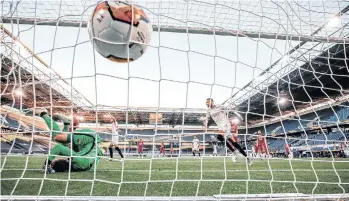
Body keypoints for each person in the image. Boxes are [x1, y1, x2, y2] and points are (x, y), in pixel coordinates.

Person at [34, 108, 103, 173]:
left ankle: (67, 124)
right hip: (91, 138)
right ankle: (43, 113)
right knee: (57, 137)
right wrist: (47, 164)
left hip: (90, 146)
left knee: (62, 143)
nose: (55, 160)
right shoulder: (78, 160)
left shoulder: (80, 166)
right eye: (53, 162)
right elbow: (58, 148)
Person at [204, 98, 252, 165]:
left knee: (219, 137)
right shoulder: (208, 111)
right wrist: (206, 125)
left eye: (207, 102)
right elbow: (208, 119)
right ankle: (247, 157)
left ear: (212, 102)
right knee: (234, 143)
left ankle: (233, 152)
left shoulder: (219, 106)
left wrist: (236, 112)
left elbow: (228, 109)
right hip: (220, 126)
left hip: (225, 124)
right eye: (206, 103)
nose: (206, 104)